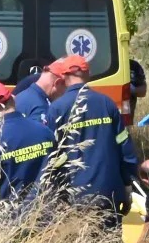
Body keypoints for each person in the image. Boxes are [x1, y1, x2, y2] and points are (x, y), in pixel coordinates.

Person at [45, 55, 138, 226]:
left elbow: (50, 156)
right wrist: (127, 185)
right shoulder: (107, 103)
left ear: (64, 76)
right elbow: (125, 147)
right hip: (108, 189)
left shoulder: (56, 109)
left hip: (72, 195)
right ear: (88, 74)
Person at [0, 82, 55, 220]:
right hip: (47, 217)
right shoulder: (45, 131)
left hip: (10, 222)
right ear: (13, 98)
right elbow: (60, 172)